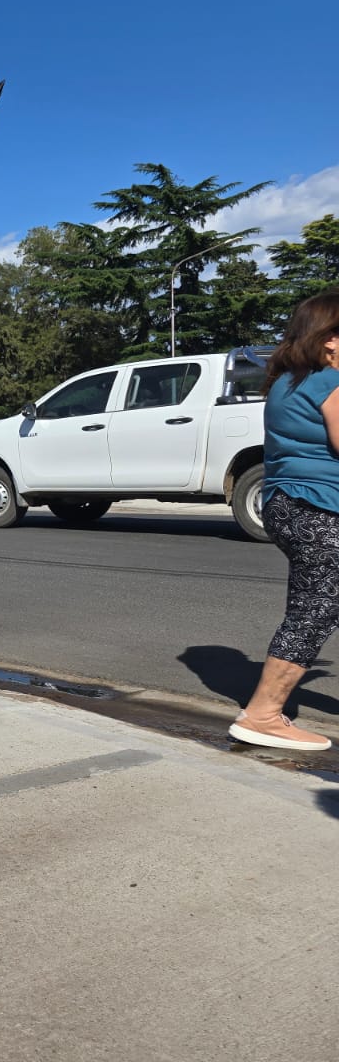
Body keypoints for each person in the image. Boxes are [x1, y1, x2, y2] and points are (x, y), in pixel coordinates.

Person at [229, 291, 339, 751]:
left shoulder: (287, 382)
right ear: (331, 339)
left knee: (314, 606)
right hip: (319, 508)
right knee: (315, 610)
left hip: (287, 505)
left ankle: (264, 712)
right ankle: (262, 715)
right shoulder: (330, 381)